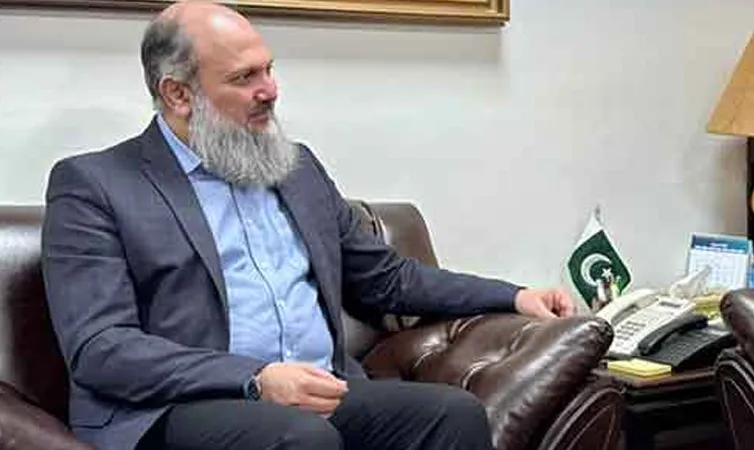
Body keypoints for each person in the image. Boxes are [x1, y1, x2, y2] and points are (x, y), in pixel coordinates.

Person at [40, 2, 576, 449]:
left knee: (453, 414)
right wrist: (253, 379)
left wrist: (514, 296)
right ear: (178, 94)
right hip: (182, 406)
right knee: (301, 438)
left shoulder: (295, 169)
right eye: (244, 78)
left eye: (268, 70)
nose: (270, 90)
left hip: (317, 391)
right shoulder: (96, 185)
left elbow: (387, 278)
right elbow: (101, 348)